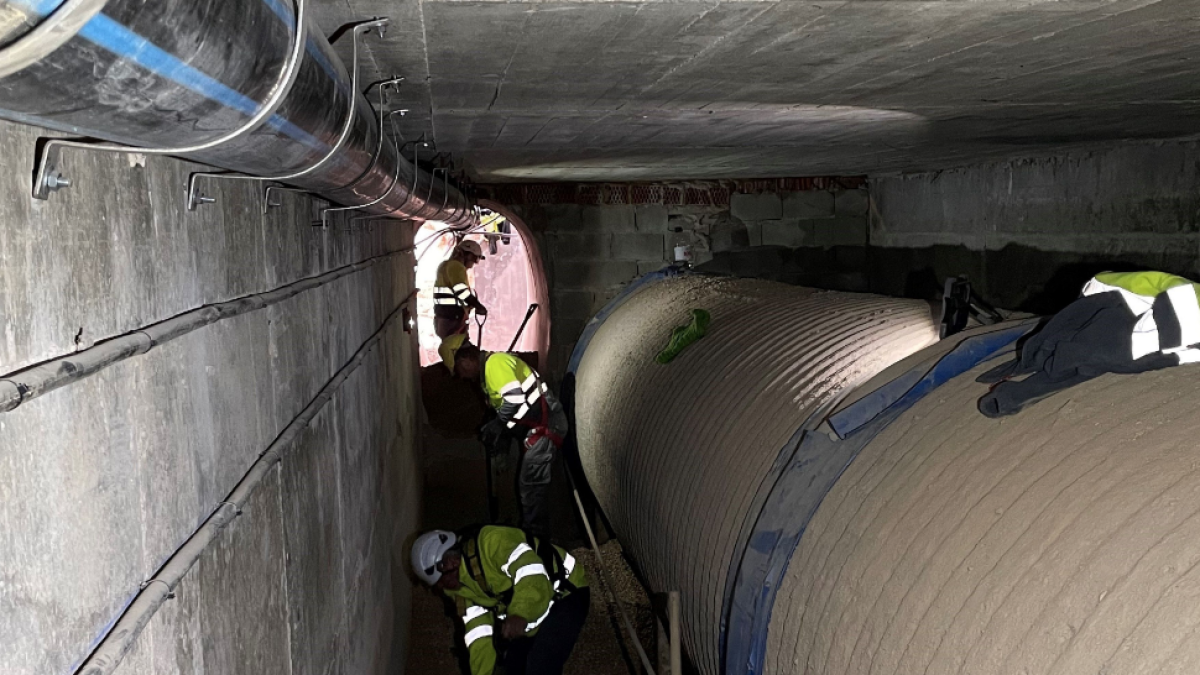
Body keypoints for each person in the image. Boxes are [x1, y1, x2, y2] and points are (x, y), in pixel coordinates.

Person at [977, 270, 1200, 417]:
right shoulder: (1187, 307)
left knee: (1077, 355)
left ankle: (1012, 386)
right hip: (1113, 298)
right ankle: (1018, 377)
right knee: (1072, 351)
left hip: (1130, 306)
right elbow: (1121, 351)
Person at [410, 525, 590, 675]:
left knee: (540, 665)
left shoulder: (492, 542)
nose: (442, 589)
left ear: (449, 564)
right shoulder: (461, 590)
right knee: (513, 668)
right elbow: (479, 635)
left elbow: (532, 575)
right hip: (533, 612)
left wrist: (520, 614)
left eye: (440, 582)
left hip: (567, 592)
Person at [440, 334, 567, 536]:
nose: (462, 377)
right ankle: (539, 532)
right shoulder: (487, 378)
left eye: (459, 371)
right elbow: (510, 414)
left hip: (546, 426)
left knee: (530, 485)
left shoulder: (495, 365)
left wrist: (498, 425)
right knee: (532, 484)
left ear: (464, 360)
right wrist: (501, 444)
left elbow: (515, 400)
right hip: (537, 428)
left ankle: (537, 539)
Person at [435, 240, 489, 338]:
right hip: (452, 318)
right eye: (474, 259)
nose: (473, 264)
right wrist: (478, 306)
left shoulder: (444, 265)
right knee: (459, 348)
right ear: (465, 255)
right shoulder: (456, 266)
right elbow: (461, 292)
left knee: (451, 347)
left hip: (442, 317)